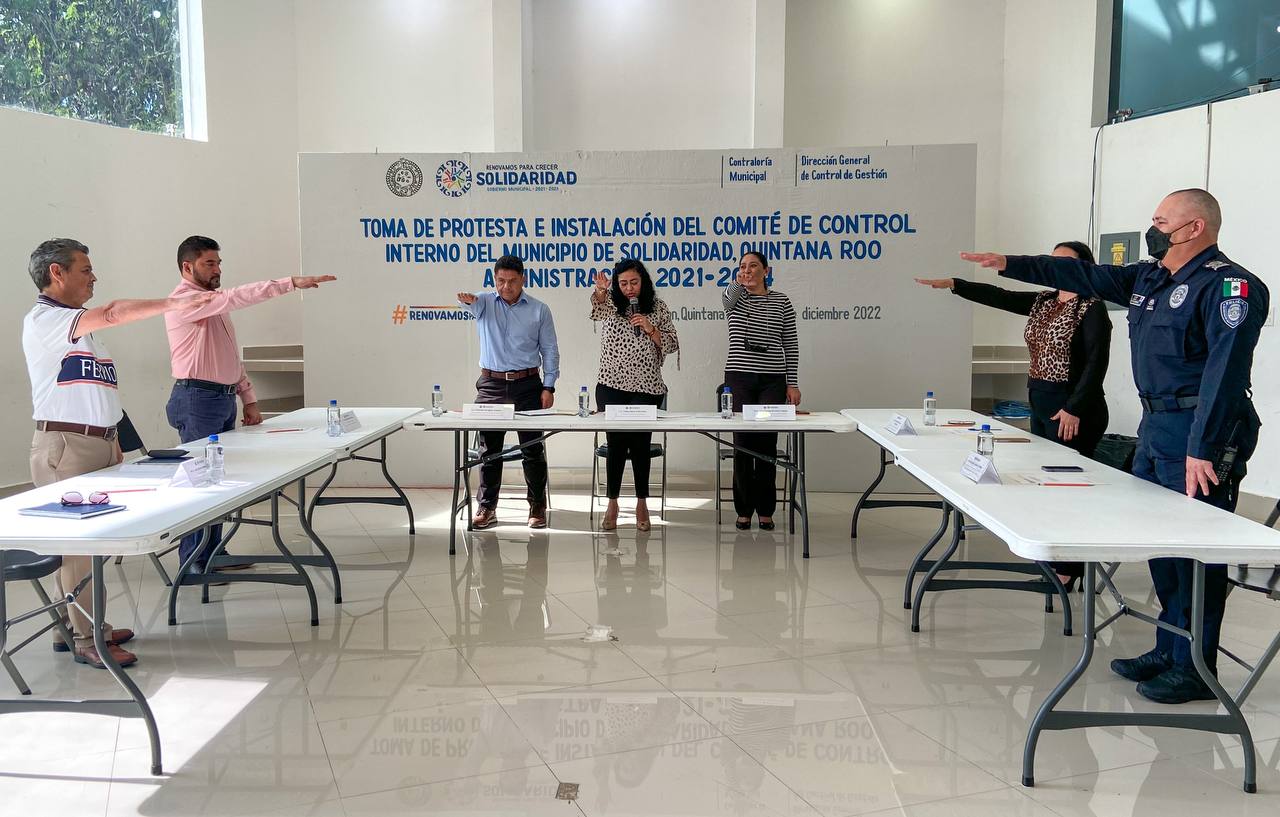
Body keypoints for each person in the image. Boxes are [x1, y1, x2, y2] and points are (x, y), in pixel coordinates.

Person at [961, 188, 1268, 704]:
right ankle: (1169, 648)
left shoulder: (1230, 287)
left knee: (1196, 550)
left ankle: (1197, 667)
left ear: (1194, 227)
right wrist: (1010, 263)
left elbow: (1225, 374)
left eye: (1161, 221)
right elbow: (1081, 274)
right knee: (1160, 544)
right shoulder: (1149, 277)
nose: (1153, 229)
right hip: (1157, 428)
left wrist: (1203, 446)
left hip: (1200, 431)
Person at [22, 238, 216, 669]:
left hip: (97, 443)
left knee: (88, 547)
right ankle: (88, 638)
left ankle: (73, 627)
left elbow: (96, 391)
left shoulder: (79, 329)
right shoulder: (47, 320)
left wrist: (114, 440)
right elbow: (113, 311)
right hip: (67, 446)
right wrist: (173, 304)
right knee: (78, 548)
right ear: (57, 272)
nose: (94, 277)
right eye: (85, 269)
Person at [164, 235, 336, 572]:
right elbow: (239, 295)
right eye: (209, 263)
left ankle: (214, 553)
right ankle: (193, 561)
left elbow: (229, 357)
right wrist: (290, 283)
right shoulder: (185, 301)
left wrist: (248, 398)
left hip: (219, 398)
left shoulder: (213, 305)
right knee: (201, 483)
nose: (217, 270)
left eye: (218, 263)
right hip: (197, 399)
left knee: (216, 481)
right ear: (187, 267)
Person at [916, 241, 1112, 457]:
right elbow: (1001, 297)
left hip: (1072, 408)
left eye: (1064, 261)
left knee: (1068, 468)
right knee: (1042, 466)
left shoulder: (1091, 306)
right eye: (1052, 261)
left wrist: (1074, 408)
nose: (1056, 266)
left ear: (1083, 266)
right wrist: (956, 285)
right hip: (1040, 401)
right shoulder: (1045, 301)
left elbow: (1096, 363)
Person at [457, 255, 560, 529]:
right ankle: (487, 507)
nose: (506, 287)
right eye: (500, 281)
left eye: (512, 281)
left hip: (528, 384)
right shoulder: (484, 303)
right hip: (491, 385)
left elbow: (550, 350)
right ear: (494, 279)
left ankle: (537, 506)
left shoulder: (539, 310)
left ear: (523, 279)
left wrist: (549, 386)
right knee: (489, 450)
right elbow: (468, 304)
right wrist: (466, 300)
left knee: (532, 449)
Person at [589, 259, 680, 531]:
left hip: (647, 386)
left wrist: (651, 329)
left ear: (644, 282)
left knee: (640, 444)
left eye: (634, 282)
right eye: (623, 283)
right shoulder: (611, 303)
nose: (629, 288)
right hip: (611, 385)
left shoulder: (658, 307)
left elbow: (672, 343)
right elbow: (597, 310)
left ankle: (642, 503)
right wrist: (601, 291)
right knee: (616, 444)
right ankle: (612, 503)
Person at [721, 250, 801, 531]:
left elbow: (790, 343)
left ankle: (766, 510)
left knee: (766, 443)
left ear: (766, 271)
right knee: (743, 443)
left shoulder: (781, 301)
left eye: (753, 266)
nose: (748, 270)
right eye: (743, 266)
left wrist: (792, 382)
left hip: (772, 379)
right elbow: (727, 299)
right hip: (739, 378)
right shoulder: (736, 297)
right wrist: (738, 280)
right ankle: (743, 509)